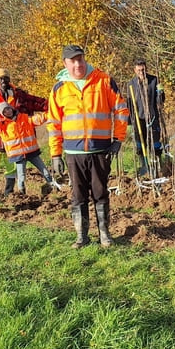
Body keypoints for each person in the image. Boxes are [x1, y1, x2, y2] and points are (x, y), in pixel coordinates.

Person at [46, 44, 129, 248]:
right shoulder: (59, 88)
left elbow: (121, 110)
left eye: (80, 59)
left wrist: (117, 139)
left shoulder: (104, 81)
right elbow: (54, 123)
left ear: (85, 60)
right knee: (78, 195)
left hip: (100, 149)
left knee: (100, 193)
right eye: (73, 61)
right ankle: (82, 236)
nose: (77, 64)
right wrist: (55, 154)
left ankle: (104, 234)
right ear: (65, 64)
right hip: (74, 152)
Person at [0, 68, 48, 195]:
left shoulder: (19, 95)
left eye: (5, 78)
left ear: (9, 79)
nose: (3, 81)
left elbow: (37, 102)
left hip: (14, 145)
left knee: (11, 168)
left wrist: (54, 106)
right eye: (0, 78)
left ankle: (9, 193)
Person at [126, 58, 164, 177]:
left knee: (156, 142)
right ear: (135, 70)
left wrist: (160, 94)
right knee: (140, 143)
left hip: (152, 117)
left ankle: (158, 164)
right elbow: (129, 104)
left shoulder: (154, 80)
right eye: (139, 70)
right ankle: (144, 165)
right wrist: (130, 121)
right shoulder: (131, 84)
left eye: (143, 70)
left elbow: (161, 99)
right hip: (138, 118)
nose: (141, 72)